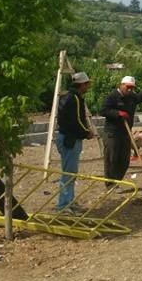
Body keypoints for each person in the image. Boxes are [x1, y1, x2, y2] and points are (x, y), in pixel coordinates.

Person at [100, 75, 142, 186]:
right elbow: (103, 110)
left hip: (125, 133)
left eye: (132, 88)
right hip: (112, 133)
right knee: (112, 159)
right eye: (128, 87)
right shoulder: (112, 96)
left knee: (124, 161)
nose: (130, 90)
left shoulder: (132, 97)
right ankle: (110, 183)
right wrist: (118, 113)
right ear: (122, 85)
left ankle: (117, 180)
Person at [55, 71, 93, 213]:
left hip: (65, 137)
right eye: (87, 84)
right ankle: (63, 205)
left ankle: (69, 201)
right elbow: (76, 120)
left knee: (70, 172)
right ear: (82, 84)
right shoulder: (75, 99)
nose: (88, 87)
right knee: (69, 173)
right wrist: (86, 132)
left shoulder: (67, 96)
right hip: (70, 139)